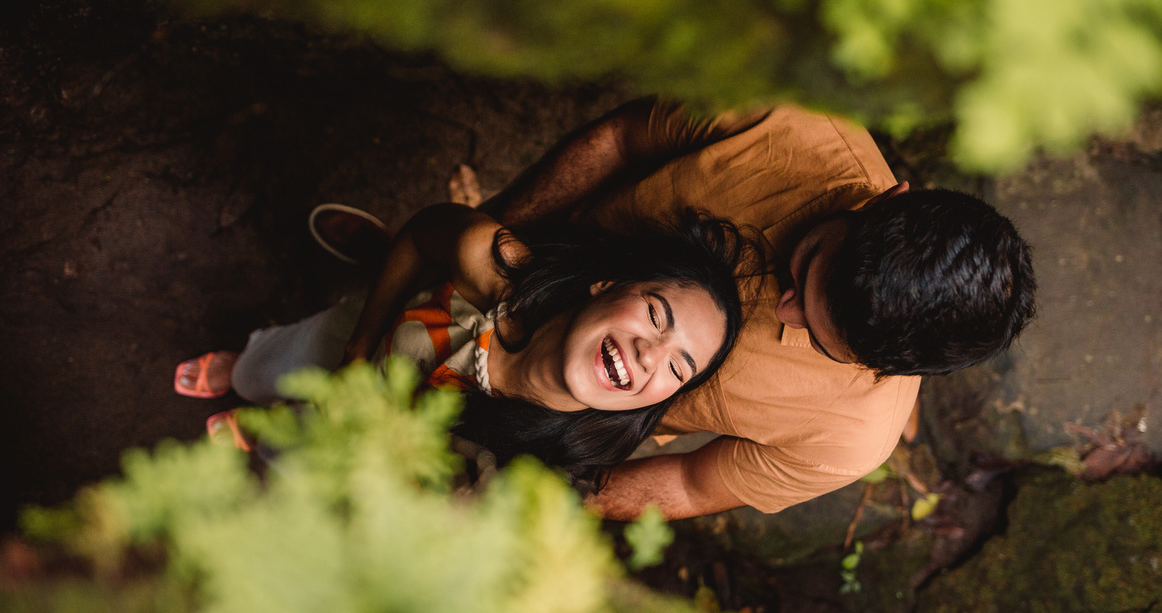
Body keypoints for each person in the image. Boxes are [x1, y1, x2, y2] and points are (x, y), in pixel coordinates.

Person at [314, 98, 1036, 519]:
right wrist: (493, 243)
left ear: (894, 371)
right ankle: (390, 277)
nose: (785, 313)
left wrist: (519, 505)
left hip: (555, 421)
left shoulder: (852, 436)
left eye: (820, 340)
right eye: (809, 266)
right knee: (387, 313)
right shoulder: (794, 125)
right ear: (888, 201)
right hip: (538, 271)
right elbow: (623, 138)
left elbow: (691, 483)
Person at [175, 204, 756, 489]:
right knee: (279, 361)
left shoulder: (555, 465)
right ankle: (247, 370)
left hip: (370, 449)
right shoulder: (501, 272)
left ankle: (266, 430)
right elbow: (423, 232)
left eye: (678, 367)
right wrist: (358, 345)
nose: (652, 354)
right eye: (656, 314)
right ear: (607, 284)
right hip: (362, 348)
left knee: (298, 452)